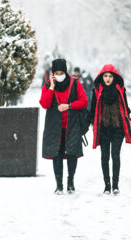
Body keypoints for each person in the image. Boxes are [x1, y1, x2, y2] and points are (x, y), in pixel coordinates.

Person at [40, 59, 88, 195]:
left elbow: (84, 101)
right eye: (57, 73)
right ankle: (59, 185)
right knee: (57, 154)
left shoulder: (75, 84)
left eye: (61, 73)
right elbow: (45, 103)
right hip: (54, 127)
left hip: (72, 126)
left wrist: (69, 106)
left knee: (72, 154)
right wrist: (51, 88)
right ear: (53, 73)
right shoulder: (48, 85)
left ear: (65, 72)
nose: (59, 75)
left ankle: (70, 182)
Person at [90, 64, 131, 195]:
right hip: (103, 129)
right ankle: (106, 185)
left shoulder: (120, 91)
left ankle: (115, 185)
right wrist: (88, 124)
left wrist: (127, 120)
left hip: (117, 129)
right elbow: (92, 110)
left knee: (115, 156)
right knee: (104, 157)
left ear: (114, 77)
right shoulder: (96, 91)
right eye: (105, 76)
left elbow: (126, 108)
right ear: (101, 77)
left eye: (110, 76)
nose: (108, 79)